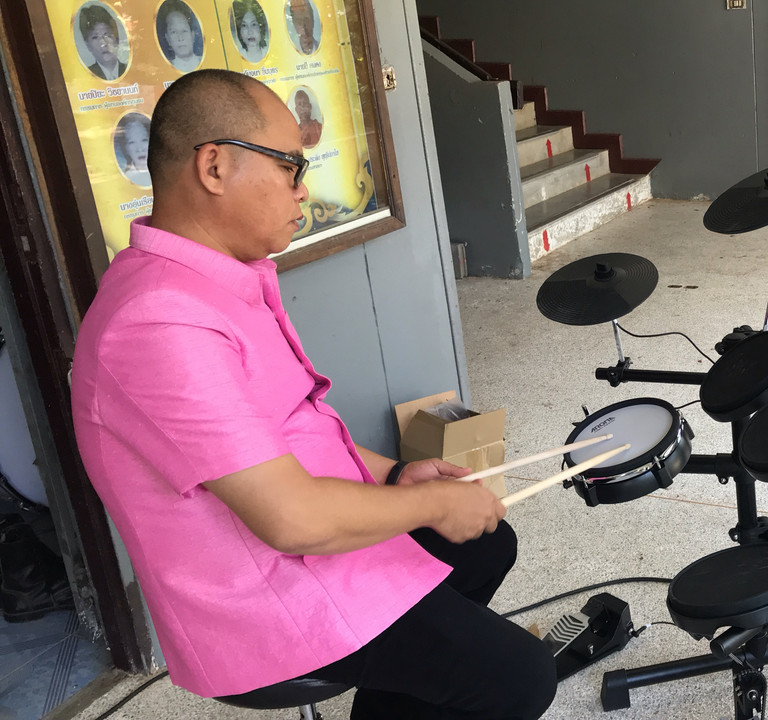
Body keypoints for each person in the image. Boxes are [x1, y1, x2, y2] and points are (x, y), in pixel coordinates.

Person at [70, 69, 556, 720]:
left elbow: (297, 428)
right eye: (289, 167)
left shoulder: (214, 282)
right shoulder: (158, 322)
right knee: (518, 677)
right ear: (214, 166)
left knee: (485, 543)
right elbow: (292, 520)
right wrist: (434, 503)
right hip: (263, 597)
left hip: (302, 547)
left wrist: (398, 476)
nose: (303, 189)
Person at [79, 5, 126, 80]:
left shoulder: (132, 70)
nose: (103, 43)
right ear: (88, 45)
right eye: (95, 37)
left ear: (117, 38)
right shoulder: (84, 77)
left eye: (107, 35)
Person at [159, 1, 202, 73]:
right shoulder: (163, 71)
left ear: (193, 35)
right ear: (168, 39)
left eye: (184, 31)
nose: (180, 38)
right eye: (174, 32)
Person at [114, 114, 151, 186]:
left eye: (144, 140)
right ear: (126, 148)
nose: (139, 149)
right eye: (132, 142)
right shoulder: (125, 181)